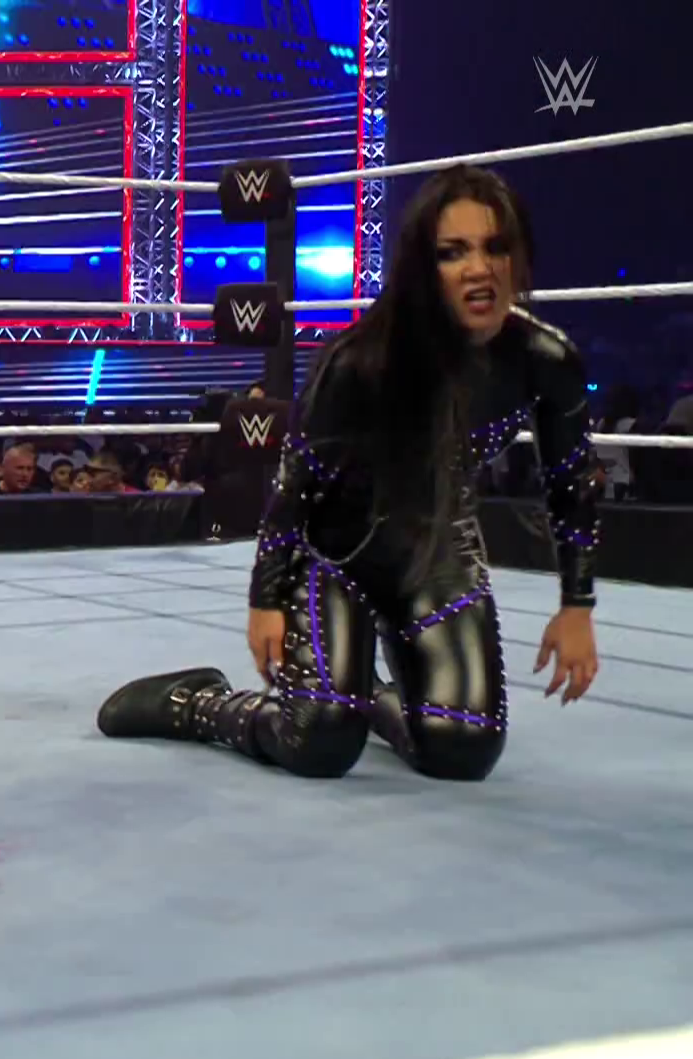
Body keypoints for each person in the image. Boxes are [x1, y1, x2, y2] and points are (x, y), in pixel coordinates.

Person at [96, 165, 600, 782]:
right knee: (319, 742)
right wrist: (265, 599)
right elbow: (295, 485)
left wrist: (577, 606)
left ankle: (373, 698)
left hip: (437, 553)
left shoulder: (546, 359)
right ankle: (199, 702)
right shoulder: (363, 360)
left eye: (495, 247)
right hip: (336, 557)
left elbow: (571, 482)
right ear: (424, 267)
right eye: (454, 252)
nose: (479, 268)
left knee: (462, 749)